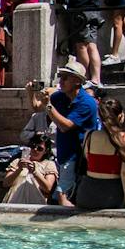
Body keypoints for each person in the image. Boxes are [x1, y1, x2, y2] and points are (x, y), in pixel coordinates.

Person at [36, 63, 99, 206]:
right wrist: (31, 93)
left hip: (77, 157)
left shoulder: (87, 103)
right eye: (60, 77)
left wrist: (49, 106)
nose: (61, 81)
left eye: (65, 78)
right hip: (63, 155)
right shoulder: (61, 97)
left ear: (77, 81)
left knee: (62, 197)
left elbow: (65, 126)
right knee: (63, 197)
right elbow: (36, 107)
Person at [72, 97, 125, 210]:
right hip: (112, 195)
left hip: (86, 194)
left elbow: (88, 160)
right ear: (121, 116)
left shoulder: (89, 136)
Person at [1, 133, 58, 205]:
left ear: (45, 151)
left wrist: (35, 172)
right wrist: (19, 169)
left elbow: (48, 188)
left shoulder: (49, 164)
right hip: (14, 202)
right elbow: (6, 183)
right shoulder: (17, 161)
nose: (35, 150)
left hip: (35, 204)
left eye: (39, 148)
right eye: (33, 146)